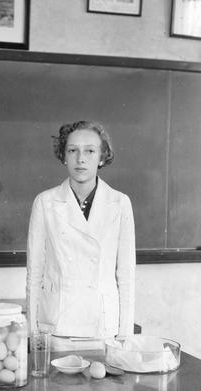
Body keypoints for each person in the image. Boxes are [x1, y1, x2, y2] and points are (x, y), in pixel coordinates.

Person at [26, 121, 135, 346]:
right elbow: (34, 273)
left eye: (90, 151)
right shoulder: (45, 202)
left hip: (103, 329)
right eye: (73, 150)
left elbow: (126, 274)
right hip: (57, 326)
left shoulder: (119, 203)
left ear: (102, 157)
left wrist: (125, 334)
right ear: (64, 156)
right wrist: (33, 330)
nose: (80, 159)